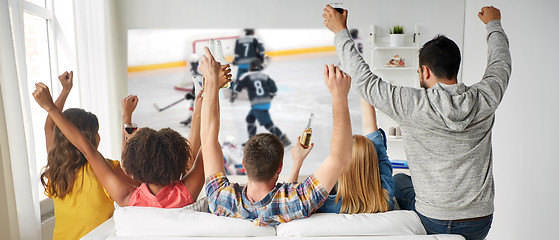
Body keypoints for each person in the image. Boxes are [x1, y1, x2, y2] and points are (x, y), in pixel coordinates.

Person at [323, 5, 510, 240]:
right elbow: (501, 64)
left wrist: (340, 31)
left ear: (425, 71)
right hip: (480, 222)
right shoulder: (486, 96)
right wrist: (494, 24)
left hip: (432, 220)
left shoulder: (412, 103)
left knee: (400, 180)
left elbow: (366, 83)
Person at [32, 66, 230, 209]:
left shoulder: (128, 197)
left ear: (136, 166)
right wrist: (212, 89)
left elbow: (86, 148)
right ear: (181, 162)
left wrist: (51, 105)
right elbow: (208, 140)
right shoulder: (184, 194)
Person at [198, 46, 353, 226]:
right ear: (279, 167)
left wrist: (211, 83)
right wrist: (339, 95)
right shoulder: (295, 203)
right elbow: (339, 158)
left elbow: (208, 139)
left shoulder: (221, 200)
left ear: (244, 163)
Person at [41, 72, 137, 240]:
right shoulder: (107, 169)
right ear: (90, 137)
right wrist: (127, 118)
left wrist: (65, 91)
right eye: (96, 132)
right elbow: (130, 165)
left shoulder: (56, 169)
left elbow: (49, 128)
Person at [289, 99, 395, 214]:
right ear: (374, 161)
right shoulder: (386, 196)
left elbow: (291, 203)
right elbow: (370, 127)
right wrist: (363, 84)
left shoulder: (328, 205)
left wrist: (297, 162)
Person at [232, 59, 291, 147]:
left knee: (268, 124)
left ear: (250, 67)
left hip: (257, 104)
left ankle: (283, 138)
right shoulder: (264, 76)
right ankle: (251, 140)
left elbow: (237, 88)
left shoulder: (247, 76)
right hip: (265, 103)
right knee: (250, 118)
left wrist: (234, 87)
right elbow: (274, 89)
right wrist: (270, 96)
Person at [230, 28, 265, 102]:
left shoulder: (238, 40)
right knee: (258, 78)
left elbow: (237, 55)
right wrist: (261, 60)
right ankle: (260, 93)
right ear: (252, 33)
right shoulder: (255, 39)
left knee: (238, 81)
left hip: (242, 65)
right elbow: (262, 51)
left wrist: (235, 61)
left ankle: (234, 94)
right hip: (253, 65)